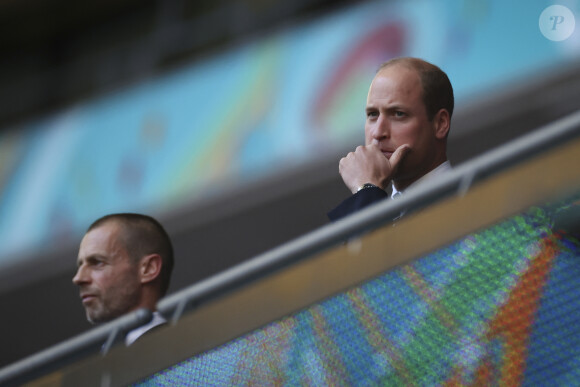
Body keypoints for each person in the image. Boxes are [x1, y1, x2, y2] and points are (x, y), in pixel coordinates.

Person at [328, 57, 453, 221]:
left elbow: (372, 247)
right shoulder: (383, 208)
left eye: (398, 114)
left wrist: (366, 190)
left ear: (440, 124)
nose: (378, 132)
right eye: (372, 115)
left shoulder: (465, 202)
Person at [73, 213, 174, 345]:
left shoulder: (183, 354)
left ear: (148, 268)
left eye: (97, 263)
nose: (78, 278)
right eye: (80, 266)